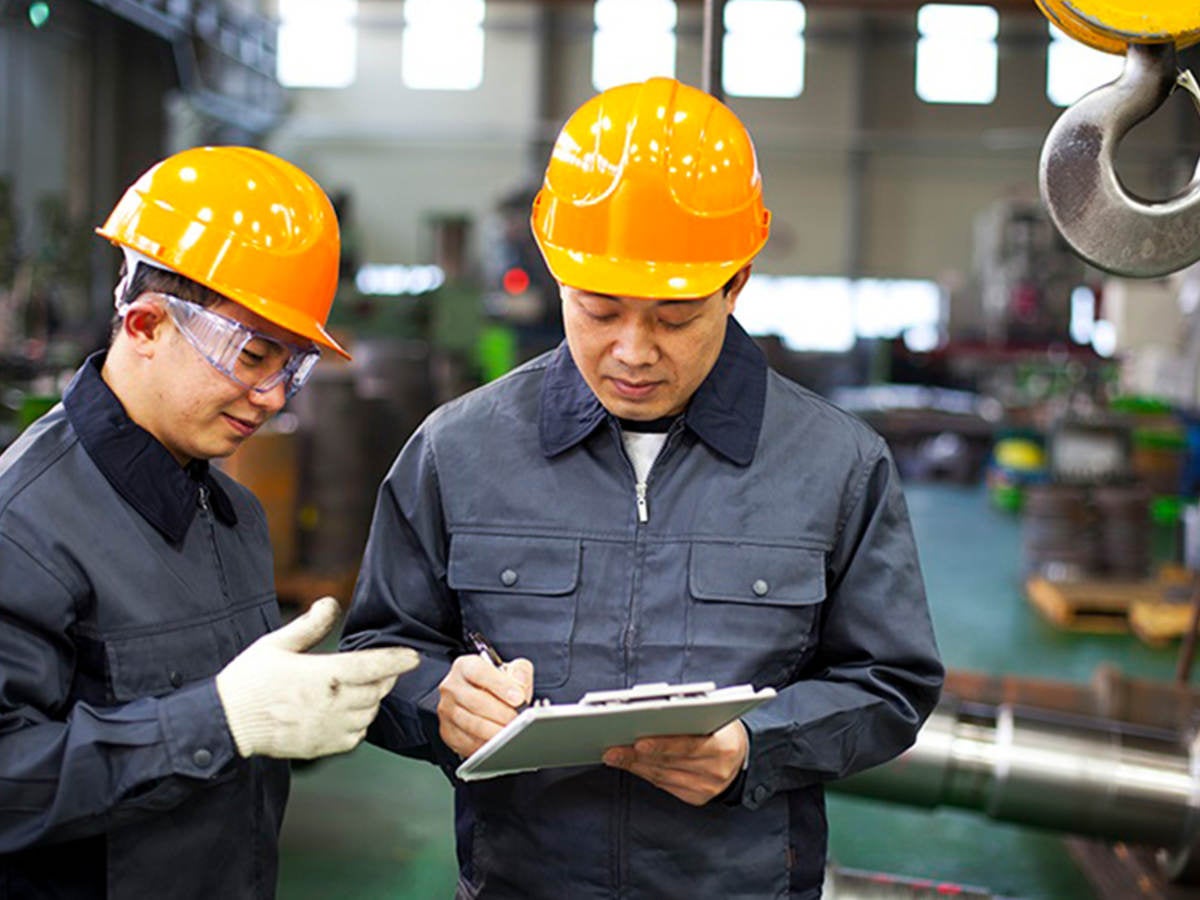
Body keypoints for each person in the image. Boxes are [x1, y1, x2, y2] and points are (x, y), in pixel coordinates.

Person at [341, 78, 943, 899]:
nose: (632, 350)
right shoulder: (459, 450)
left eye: (674, 316)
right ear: (556, 274)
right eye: (599, 310)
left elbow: (891, 682)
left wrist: (754, 746)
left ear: (737, 283)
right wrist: (436, 701)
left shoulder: (837, 463)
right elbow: (378, 655)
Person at [0, 146, 418, 899]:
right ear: (146, 323)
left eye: (290, 368)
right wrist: (221, 721)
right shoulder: (23, 528)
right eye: (251, 354)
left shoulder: (233, 516)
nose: (272, 398)